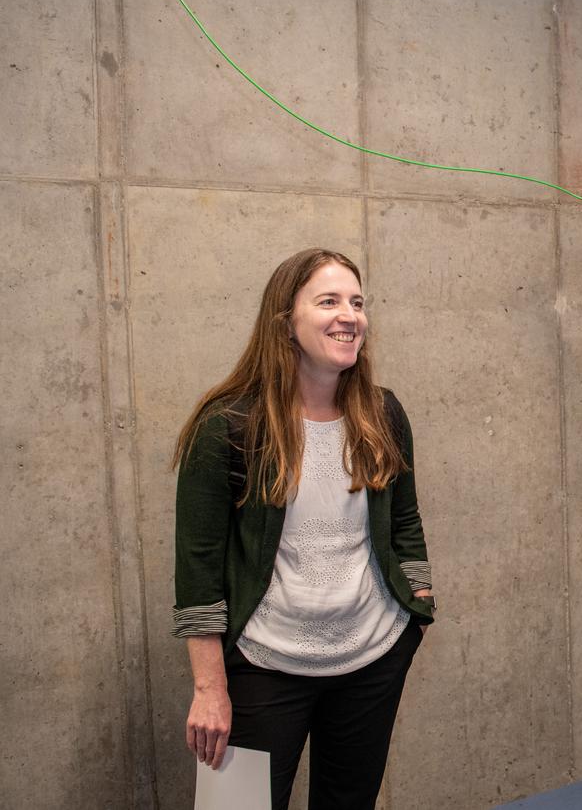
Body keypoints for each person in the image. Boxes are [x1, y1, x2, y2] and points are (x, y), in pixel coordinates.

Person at [171, 248, 434, 809]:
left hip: (373, 659)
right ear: (285, 321)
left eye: (357, 302)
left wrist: (418, 604)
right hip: (262, 665)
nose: (350, 316)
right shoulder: (226, 425)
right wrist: (210, 688)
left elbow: (405, 518)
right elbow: (197, 567)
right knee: (235, 807)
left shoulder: (383, 413)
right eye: (329, 301)